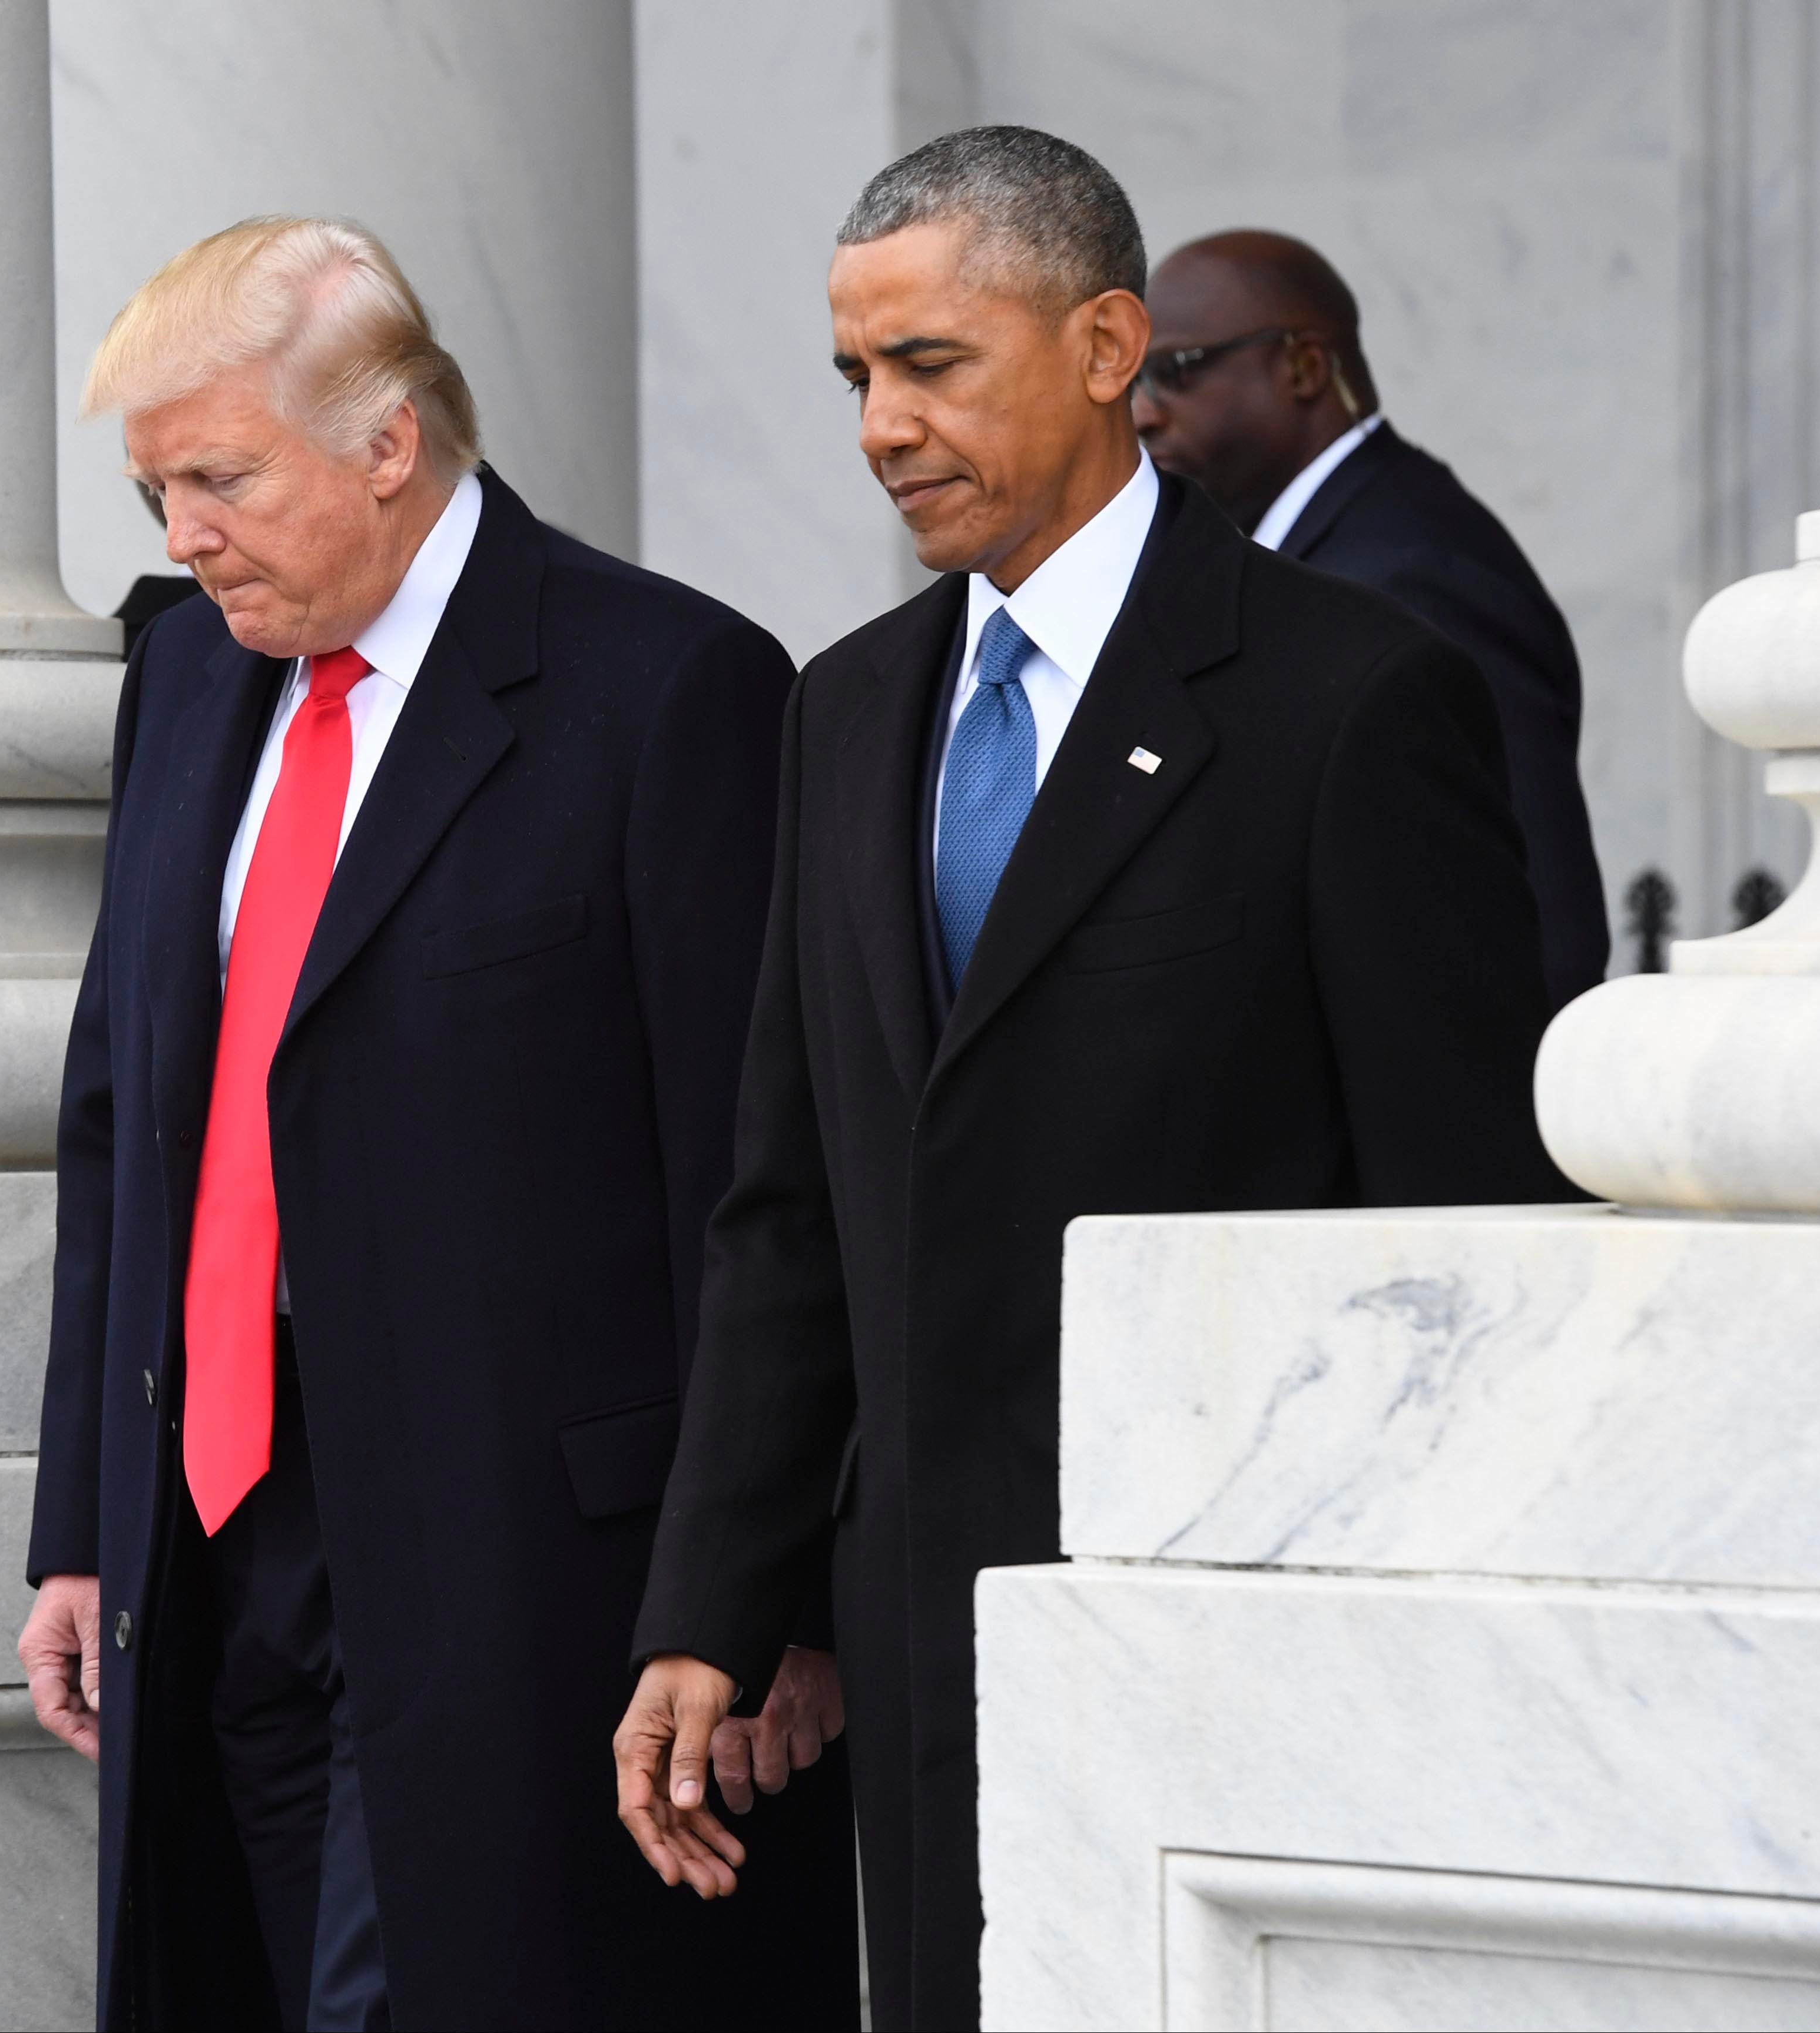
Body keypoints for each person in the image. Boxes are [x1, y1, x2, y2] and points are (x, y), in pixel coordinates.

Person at [614, 129, 1576, 2031]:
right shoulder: (848, 707)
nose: (881, 425)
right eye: (854, 377)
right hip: (920, 1641)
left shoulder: (1355, 701)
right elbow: (791, 1201)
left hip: (1233, 1631)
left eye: (932, 364)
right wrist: (711, 1607)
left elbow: (1466, 1232)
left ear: (1107, 342)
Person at [16, 215, 857, 2031]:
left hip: (530, 1564)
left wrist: (766, 1592)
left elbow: (759, 1184)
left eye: (220, 478)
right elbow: (122, 1119)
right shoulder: (182, 677)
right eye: (159, 486)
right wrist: (85, 1519)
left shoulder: (669, 684)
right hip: (215, 1517)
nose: (179, 536)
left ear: (387, 442)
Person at [1133, 229, 1609, 1008]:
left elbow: (1537, 923)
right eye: (1131, 383)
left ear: (1304, 367)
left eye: (1175, 372)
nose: (1144, 414)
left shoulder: (1417, 577)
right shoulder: (1321, 555)